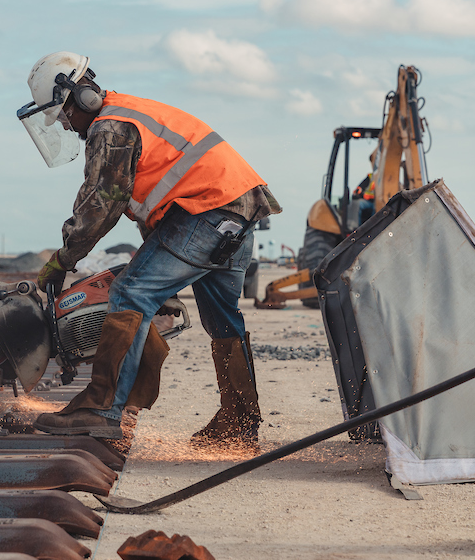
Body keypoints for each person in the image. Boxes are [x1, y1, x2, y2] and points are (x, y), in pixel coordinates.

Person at [18, 52, 280, 445]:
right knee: (223, 319)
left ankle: (102, 408)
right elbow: (157, 204)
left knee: (130, 294)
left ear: (81, 97)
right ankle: (240, 425)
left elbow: (100, 204)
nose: (68, 127)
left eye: (65, 115)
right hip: (237, 211)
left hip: (207, 213)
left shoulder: (111, 128)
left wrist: (63, 259)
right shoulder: (131, 111)